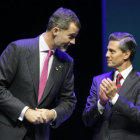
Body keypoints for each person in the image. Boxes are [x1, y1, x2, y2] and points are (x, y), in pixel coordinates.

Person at [0, 7, 81, 140]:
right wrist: (24, 111)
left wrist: (53, 114)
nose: (73, 42)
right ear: (56, 30)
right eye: (71, 36)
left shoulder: (67, 62)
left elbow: (69, 101)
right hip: (8, 131)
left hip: (40, 135)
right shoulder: (18, 49)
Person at [82, 32, 140, 140]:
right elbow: (87, 120)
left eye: (112, 51)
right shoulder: (98, 80)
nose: (107, 54)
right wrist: (101, 103)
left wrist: (115, 98)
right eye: (107, 50)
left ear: (126, 54)